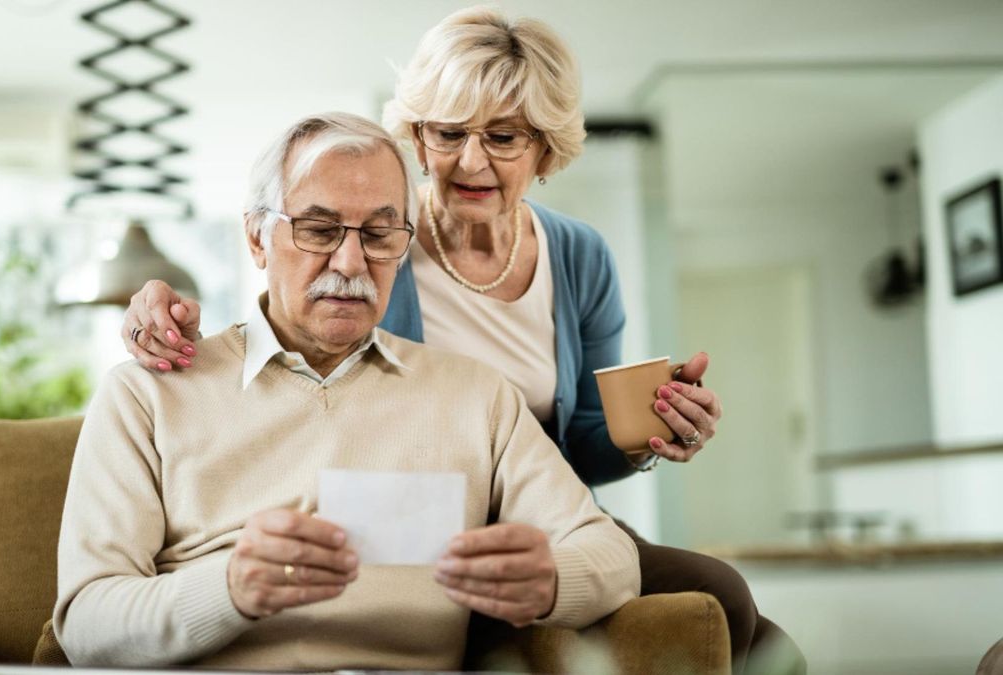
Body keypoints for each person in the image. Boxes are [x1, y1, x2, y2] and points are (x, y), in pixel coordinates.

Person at [117, 7, 803, 672]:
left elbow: (582, 444)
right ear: (417, 139)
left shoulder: (579, 256)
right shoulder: (378, 239)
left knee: (738, 610)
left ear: (545, 149)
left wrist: (650, 433)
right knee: (733, 610)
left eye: (503, 137)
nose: (470, 161)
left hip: (533, 515)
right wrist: (160, 313)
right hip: (418, 520)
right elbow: (291, 324)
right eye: (448, 134)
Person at [54, 112, 640, 670]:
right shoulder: (148, 394)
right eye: (319, 229)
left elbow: (611, 557)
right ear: (257, 238)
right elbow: (86, 624)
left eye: (381, 234)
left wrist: (553, 581)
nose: (352, 261)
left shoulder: (476, 397)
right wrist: (228, 588)